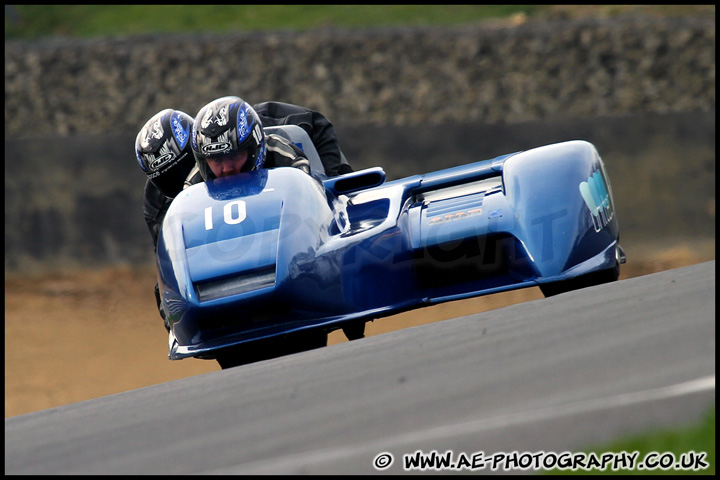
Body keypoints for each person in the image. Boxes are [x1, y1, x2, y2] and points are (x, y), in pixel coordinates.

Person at [134, 97, 363, 339]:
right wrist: (172, 311)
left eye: (232, 157)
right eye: (214, 160)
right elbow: (168, 257)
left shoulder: (263, 134)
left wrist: (338, 184)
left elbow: (310, 201)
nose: (225, 169)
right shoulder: (171, 195)